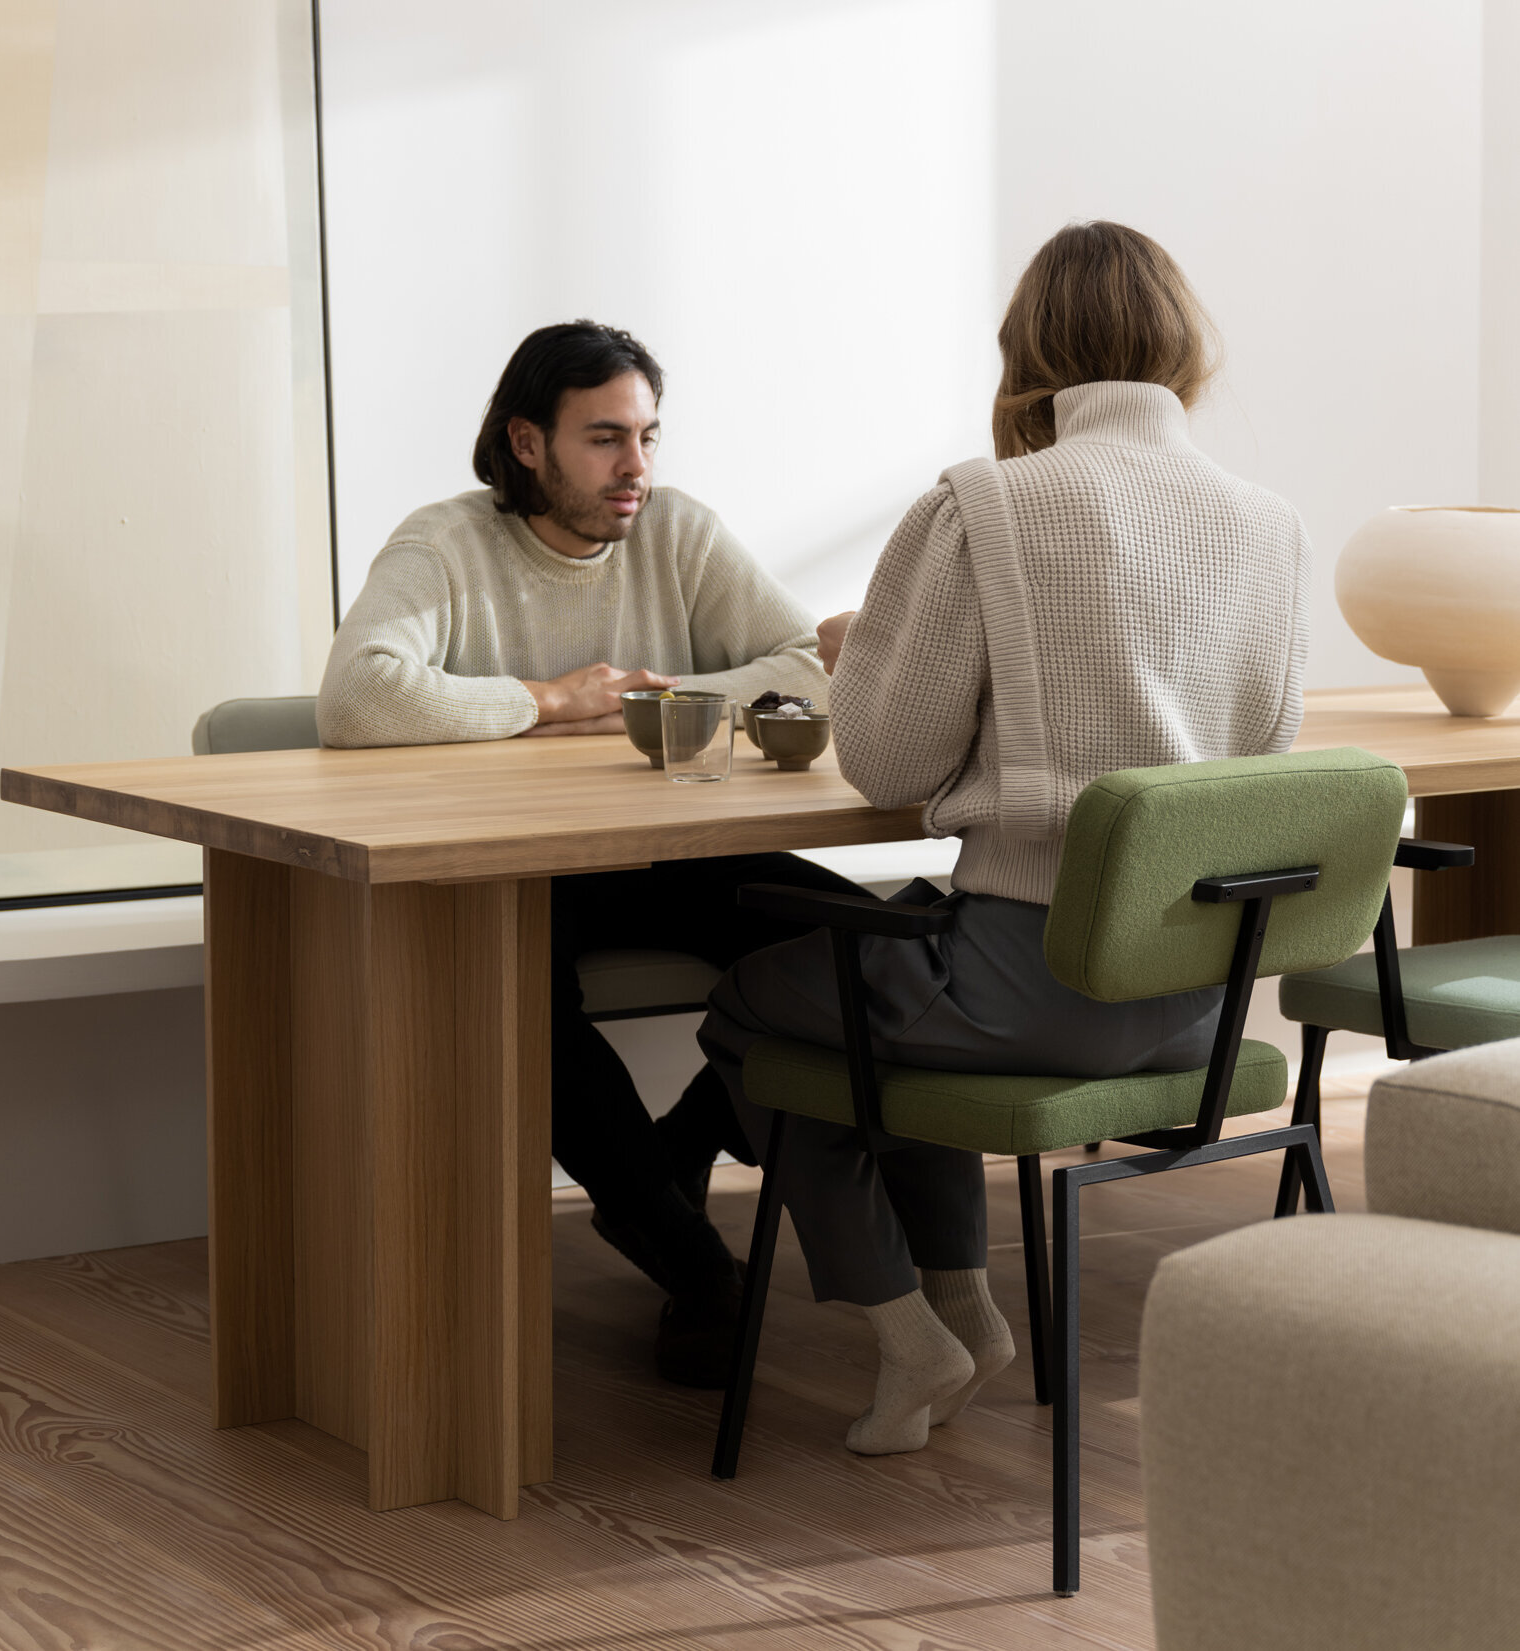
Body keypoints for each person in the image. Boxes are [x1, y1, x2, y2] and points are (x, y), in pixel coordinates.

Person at [698, 221, 1310, 1454]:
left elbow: (887, 760)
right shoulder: (1270, 526)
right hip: (1199, 997)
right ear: (1185, 348)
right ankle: (956, 1310)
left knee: (757, 1011)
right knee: (865, 1029)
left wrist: (854, 650)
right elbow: (1263, 769)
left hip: (1020, 991)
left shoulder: (986, 506)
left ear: (1025, 352)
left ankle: (919, 1326)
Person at [317, 320, 865, 1385]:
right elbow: (358, 694)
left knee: (858, 954)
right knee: (517, 1001)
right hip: (511, 872)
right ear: (528, 442)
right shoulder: (445, 545)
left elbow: (813, 664)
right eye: (605, 439)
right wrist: (543, 700)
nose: (637, 469)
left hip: (665, 855)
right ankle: (697, 1267)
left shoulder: (678, 534)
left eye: (648, 437)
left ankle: (673, 1152)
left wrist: (679, 703)